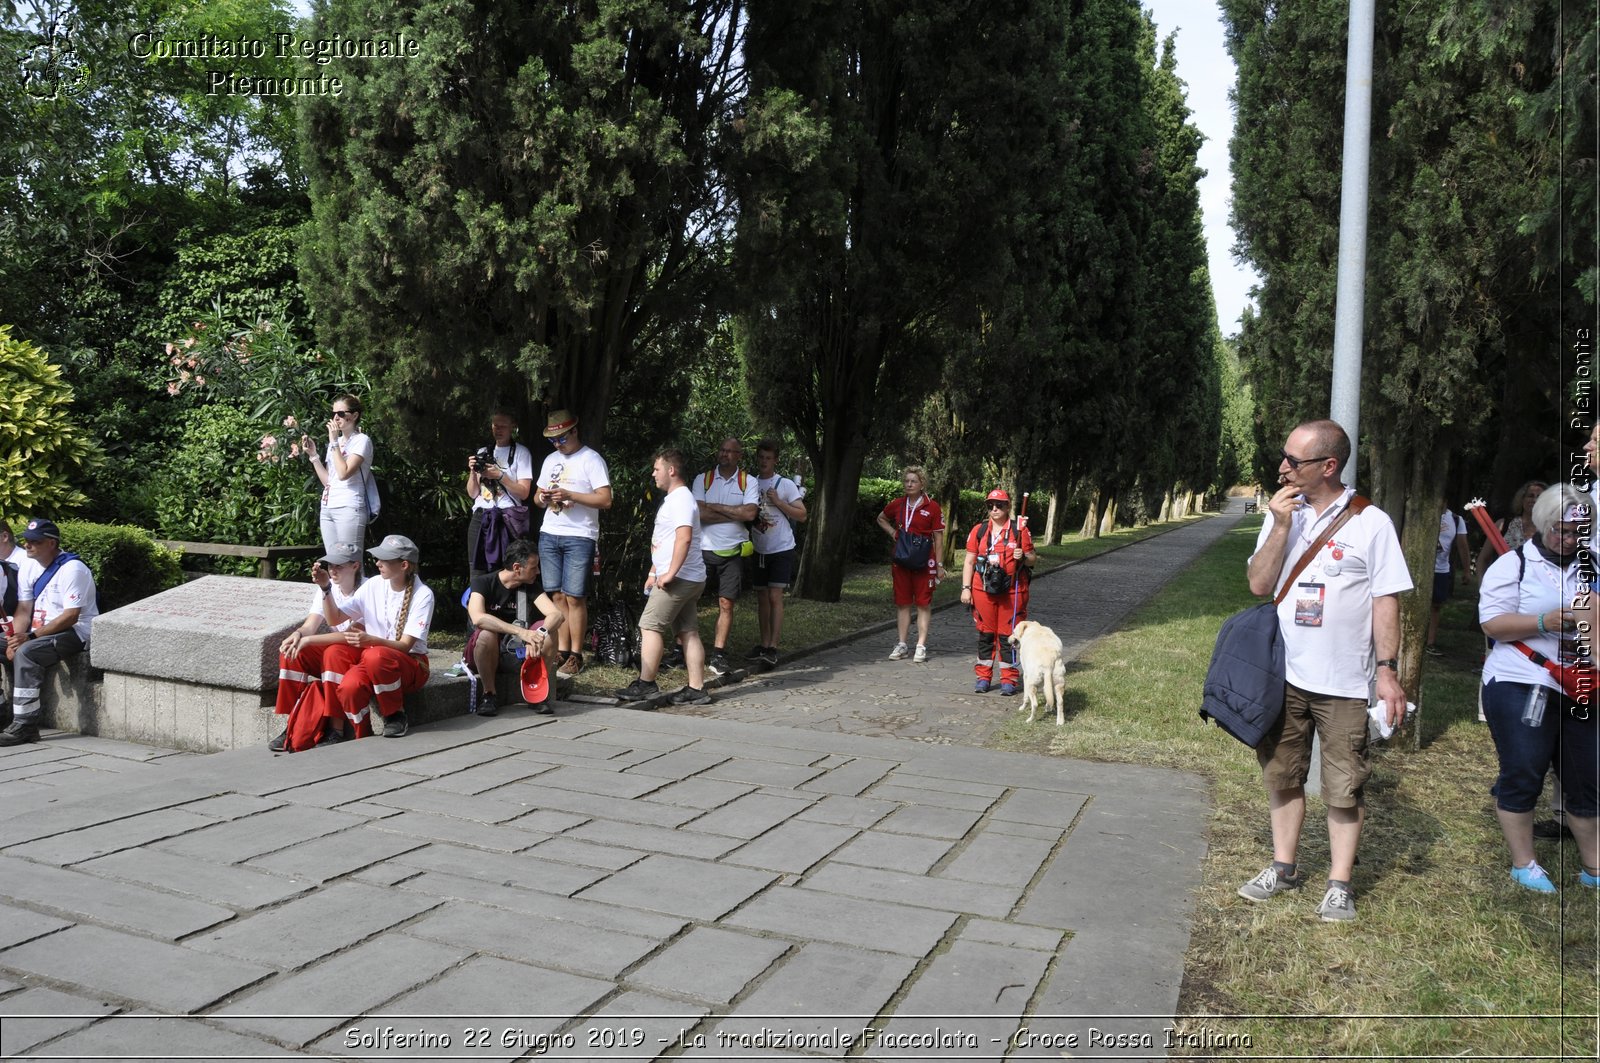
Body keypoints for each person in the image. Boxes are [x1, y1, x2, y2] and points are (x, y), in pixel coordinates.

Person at [1238, 419, 1411, 922]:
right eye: (1285, 457)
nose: (1282, 467)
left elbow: (1386, 602)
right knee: (1282, 774)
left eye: (1294, 461)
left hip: (1343, 683)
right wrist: (1281, 527)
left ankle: (1339, 883)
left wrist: (1386, 671)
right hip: (1284, 675)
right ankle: (1284, 866)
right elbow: (1258, 584)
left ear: (1329, 466)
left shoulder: (1371, 523)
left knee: (1343, 784)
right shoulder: (1282, 514)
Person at [1477, 482, 1600, 892]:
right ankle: (1523, 863)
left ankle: (1593, 868)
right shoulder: (1514, 565)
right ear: (1544, 525)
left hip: (1580, 684)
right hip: (1521, 678)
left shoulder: (1593, 568)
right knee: (1525, 767)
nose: (1568, 540)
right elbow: (1492, 624)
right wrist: (1547, 621)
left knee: (1586, 776)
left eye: (1578, 533)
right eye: (1560, 531)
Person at [281, 534, 435, 746]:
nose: (377, 563)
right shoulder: (374, 585)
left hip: (410, 664)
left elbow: (405, 646)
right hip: (372, 657)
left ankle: (394, 715)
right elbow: (335, 618)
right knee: (349, 686)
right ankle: (360, 734)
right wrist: (326, 588)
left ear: (404, 565)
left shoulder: (423, 594)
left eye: (383, 559)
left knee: (374, 654)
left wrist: (370, 639)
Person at [617, 448, 711, 706]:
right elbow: (665, 541)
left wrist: (669, 573)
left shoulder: (681, 499)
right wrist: (653, 571)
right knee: (688, 631)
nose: (653, 474)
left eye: (657, 469)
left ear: (671, 470)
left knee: (649, 626)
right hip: (688, 577)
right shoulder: (676, 498)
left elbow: (684, 537)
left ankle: (646, 684)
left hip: (678, 579)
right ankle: (697, 688)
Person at [1, 519, 99, 746]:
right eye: (26, 540)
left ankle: (26, 726)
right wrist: (13, 638)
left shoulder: (73, 569)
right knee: (17, 645)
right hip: (38, 631)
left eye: (34, 541)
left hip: (75, 632)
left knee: (27, 652)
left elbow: (70, 616)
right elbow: (24, 610)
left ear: (52, 543)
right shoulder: (29, 566)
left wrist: (29, 638)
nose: (27, 545)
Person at [533, 409, 612, 678]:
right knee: (556, 596)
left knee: (575, 596)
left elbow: (605, 500)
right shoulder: (550, 460)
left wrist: (571, 495)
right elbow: (535, 497)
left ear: (575, 431)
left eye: (562, 438)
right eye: (553, 440)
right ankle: (562, 651)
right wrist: (544, 498)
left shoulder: (591, 459)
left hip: (580, 534)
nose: (558, 444)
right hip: (550, 531)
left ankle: (577, 654)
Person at [269, 542, 366, 751]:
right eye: (330, 564)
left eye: (339, 565)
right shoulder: (327, 586)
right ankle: (293, 723)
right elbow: (310, 625)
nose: (333, 569)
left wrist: (310, 640)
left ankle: (336, 729)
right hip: (336, 648)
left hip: (358, 651)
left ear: (355, 566)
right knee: (292, 651)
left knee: (333, 653)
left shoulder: (368, 589)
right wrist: (297, 635)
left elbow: (350, 636)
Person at [465, 538, 564, 716]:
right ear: (517, 568)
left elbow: (557, 615)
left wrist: (539, 634)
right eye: (534, 567)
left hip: (518, 653)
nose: (538, 571)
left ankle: (538, 692)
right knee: (486, 633)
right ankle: (489, 694)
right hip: (484, 652)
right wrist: (522, 632)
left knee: (550, 630)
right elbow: (478, 618)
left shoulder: (531, 586)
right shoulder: (483, 583)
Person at [693, 438, 760, 677]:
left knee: (726, 603)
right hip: (702, 549)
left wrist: (715, 506)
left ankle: (718, 654)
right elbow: (699, 513)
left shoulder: (748, 482)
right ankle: (683, 650)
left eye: (731, 452)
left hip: (733, 551)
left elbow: (751, 513)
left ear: (740, 456)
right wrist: (735, 513)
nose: (725, 454)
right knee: (689, 601)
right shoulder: (703, 479)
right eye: (722, 450)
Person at [960, 489, 1037, 695]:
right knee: (985, 634)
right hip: (982, 590)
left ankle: (1009, 679)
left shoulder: (1019, 530)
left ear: (1008, 507)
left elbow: (1032, 559)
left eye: (999, 505)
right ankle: (983, 677)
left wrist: (1022, 556)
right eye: (990, 505)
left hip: (1012, 592)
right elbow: (969, 560)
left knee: (1008, 636)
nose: (994, 509)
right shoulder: (979, 530)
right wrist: (965, 588)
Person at [875, 466, 946, 662]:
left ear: (922, 484)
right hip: (902, 559)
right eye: (906, 481)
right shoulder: (898, 504)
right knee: (903, 602)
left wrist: (939, 565)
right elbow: (881, 518)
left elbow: (938, 539)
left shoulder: (932, 507)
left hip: (924, 561)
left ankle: (921, 645)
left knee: (923, 603)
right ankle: (902, 644)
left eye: (914, 481)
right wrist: (893, 533)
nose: (909, 484)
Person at [746, 439, 807, 668]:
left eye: (768, 458)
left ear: (775, 460)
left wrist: (779, 501)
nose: (764, 461)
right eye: (761, 457)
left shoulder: (785, 484)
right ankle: (763, 644)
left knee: (775, 597)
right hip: (759, 547)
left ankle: (773, 647)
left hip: (781, 548)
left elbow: (802, 515)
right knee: (762, 597)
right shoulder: (751, 483)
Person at [303, 394, 376, 556]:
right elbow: (330, 481)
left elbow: (344, 474)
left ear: (355, 415)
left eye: (341, 413)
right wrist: (313, 456)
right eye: (333, 414)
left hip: (349, 506)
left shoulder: (362, 441)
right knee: (334, 562)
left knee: (350, 562)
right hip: (328, 506)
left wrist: (334, 441)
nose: (336, 418)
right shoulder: (335, 443)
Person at [464, 410, 534, 577]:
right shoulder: (483, 451)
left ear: (512, 427)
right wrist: (473, 472)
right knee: (476, 568)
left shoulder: (521, 453)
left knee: (507, 569)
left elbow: (524, 493)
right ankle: (479, 601)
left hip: (506, 517)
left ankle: (505, 603)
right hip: (481, 516)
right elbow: (473, 493)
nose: (498, 429)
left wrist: (500, 476)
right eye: (495, 425)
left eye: (503, 426)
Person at [1424, 507, 1473, 655]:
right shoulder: (1422, 512)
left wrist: (1466, 570)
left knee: (1436, 605)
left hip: (1441, 569)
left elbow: (1462, 546)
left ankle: (1430, 642)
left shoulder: (1456, 520)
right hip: (1418, 567)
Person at [1476, 481, 1546, 575]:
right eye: (1530, 496)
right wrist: (1482, 584)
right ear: (1522, 499)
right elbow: (1483, 559)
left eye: (1539, 497)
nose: (1534, 500)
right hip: (1504, 583)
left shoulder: (1550, 529)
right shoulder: (1503, 525)